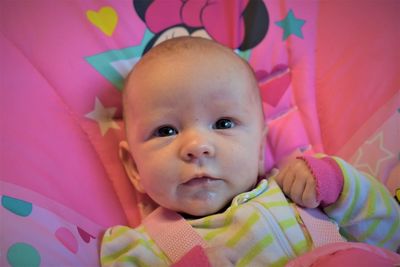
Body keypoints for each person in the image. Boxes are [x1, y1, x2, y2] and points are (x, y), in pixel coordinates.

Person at [100, 37, 400, 266]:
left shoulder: (306, 192)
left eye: (223, 123)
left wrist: (341, 184)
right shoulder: (138, 248)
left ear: (259, 148)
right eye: (166, 131)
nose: (197, 147)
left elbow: (391, 235)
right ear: (135, 168)